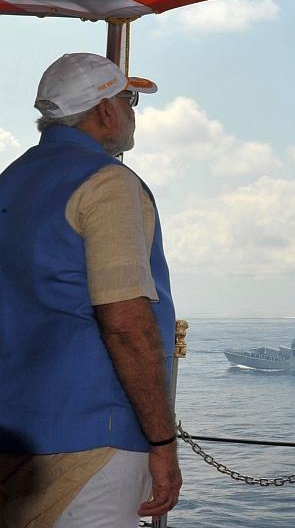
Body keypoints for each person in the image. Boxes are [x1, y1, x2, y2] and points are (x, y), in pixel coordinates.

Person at [0, 53, 181, 527]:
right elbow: (125, 323)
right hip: (95, 430)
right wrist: (161, 441)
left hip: (14, 432)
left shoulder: (10, 183)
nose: (133, 111)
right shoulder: (107, 183)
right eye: (130, 98)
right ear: (104, 110)